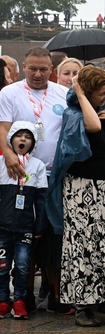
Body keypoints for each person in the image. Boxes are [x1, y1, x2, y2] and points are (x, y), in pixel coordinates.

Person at [48, 66, 105, 327]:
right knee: (85, 246)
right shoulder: (74, 113)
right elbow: (91, 126)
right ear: (87, 92)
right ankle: (84, 306)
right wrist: (78, 92)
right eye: (100, 93)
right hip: (80, 188)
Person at [0, 47, 69, 314]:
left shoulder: (62, 93)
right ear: (24, 67)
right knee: (23, 235)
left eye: (43, 69)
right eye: (32, 68)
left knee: (52, 237)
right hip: (21, 175)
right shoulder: (9, 93)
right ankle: (23, 295)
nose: (38, 74)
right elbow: (3, 128)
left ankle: (55, 293)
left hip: (54, 174)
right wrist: (8, 155)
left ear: (51, 68)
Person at [0, 122, 47, 319]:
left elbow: (42, 199)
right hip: (2, 226)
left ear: (33, 143)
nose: (23, 139)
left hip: (26, 227)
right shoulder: (2, 163)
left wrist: (40, 225)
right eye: (18, 135)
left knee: (22, 265)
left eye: (28, 137)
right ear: (11, 139)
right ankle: (3, 300)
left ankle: (19, 299)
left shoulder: (37, 166)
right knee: (2, 265)